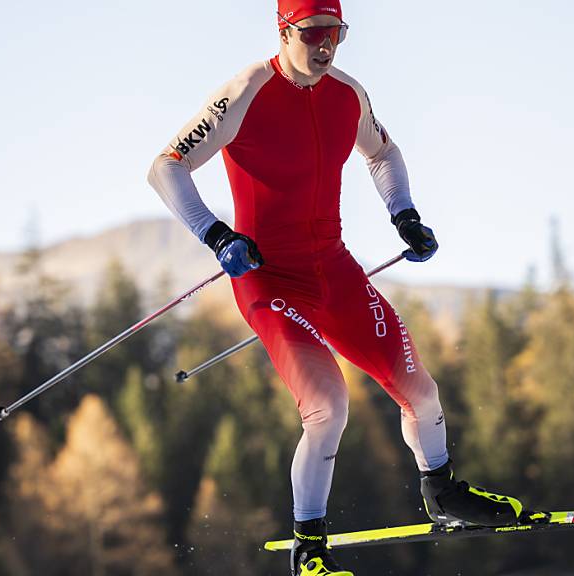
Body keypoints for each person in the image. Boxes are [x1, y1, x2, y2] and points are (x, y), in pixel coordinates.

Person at [148, 2, 535, 574]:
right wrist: (216, 234)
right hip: (268, 279)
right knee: (328, 406)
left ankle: (444, 494)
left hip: (334, 270)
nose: (326, 45)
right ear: (284, 31)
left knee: (421, 391)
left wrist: (404, 214)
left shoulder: (347, 94)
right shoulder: (244, 92)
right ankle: (310, 549)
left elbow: (384, 153)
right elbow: (166, 166)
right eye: (313, 33)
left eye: (337, 33)